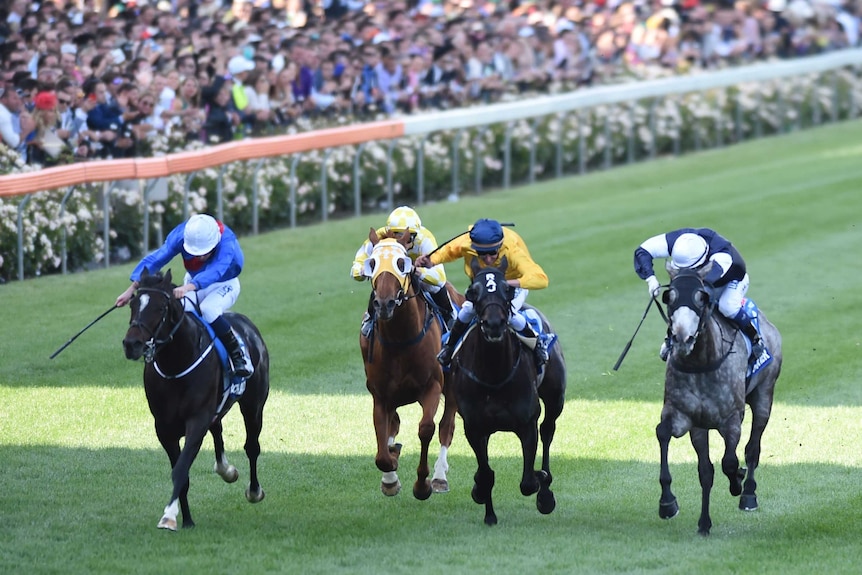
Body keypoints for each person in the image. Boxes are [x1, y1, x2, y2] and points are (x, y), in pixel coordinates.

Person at [115, 214, 254, 378]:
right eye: (194, 252)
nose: (199, 257)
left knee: (208, 310)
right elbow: (158, 258)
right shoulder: (182, 234)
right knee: (181, 313)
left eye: (204, 252)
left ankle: (239, 356)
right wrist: (132, 288)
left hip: (224, 284)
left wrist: (188, 287)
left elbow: (216, 271)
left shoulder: (227, 242)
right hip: (193, 282)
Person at [415, 218, 553, 368]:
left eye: (493, 253)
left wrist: (507, 284)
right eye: (482, 254)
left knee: (510, 313)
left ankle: (538, 344)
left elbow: (541, 279)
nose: (488, 259)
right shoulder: (466, 242)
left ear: (500, 246)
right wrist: (432, 261)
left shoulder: (512, 250)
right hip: (483, 286)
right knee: (467, 310)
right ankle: (448, 348)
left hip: (510, 285)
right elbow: (449, 251)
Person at [633, 227, 766, 362]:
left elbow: (701, 285)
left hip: (731, 279)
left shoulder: (721, 257)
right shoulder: (679, 241)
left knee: (728, 307)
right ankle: (671, 337)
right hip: (702, 280)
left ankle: (755, 338)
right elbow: (642, 251)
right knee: (679, 301)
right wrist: (651, 279)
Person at [351, 206, 456, 338]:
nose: (406, 241)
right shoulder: (380, 237)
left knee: (433, 286)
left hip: (417, 273)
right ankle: (371, 317)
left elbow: (440, 278)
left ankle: (449, 314)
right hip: (395, 276)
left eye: (411, 236)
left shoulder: (425, 239)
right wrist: (361, 271)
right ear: (390, 233)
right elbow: (357, 265)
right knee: (384, 284)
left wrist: (416, 270)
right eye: (400, 235)